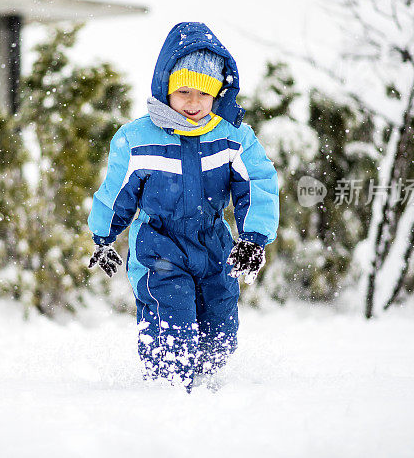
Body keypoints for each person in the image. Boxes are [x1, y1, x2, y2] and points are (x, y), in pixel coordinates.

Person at [87, 21, 279, 390]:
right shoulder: (138, 139)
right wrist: (103, 237)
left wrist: (253, 238)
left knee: (219, 330)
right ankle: (169, 390)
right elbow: (116, 191)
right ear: (165, 87)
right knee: (171, 323)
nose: (193, 103)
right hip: (159, 245)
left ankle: (208, 385)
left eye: (204, 93)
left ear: (218, 93)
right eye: (184, 91)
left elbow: (258, 184)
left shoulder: (232, 136)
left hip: (213, 244)